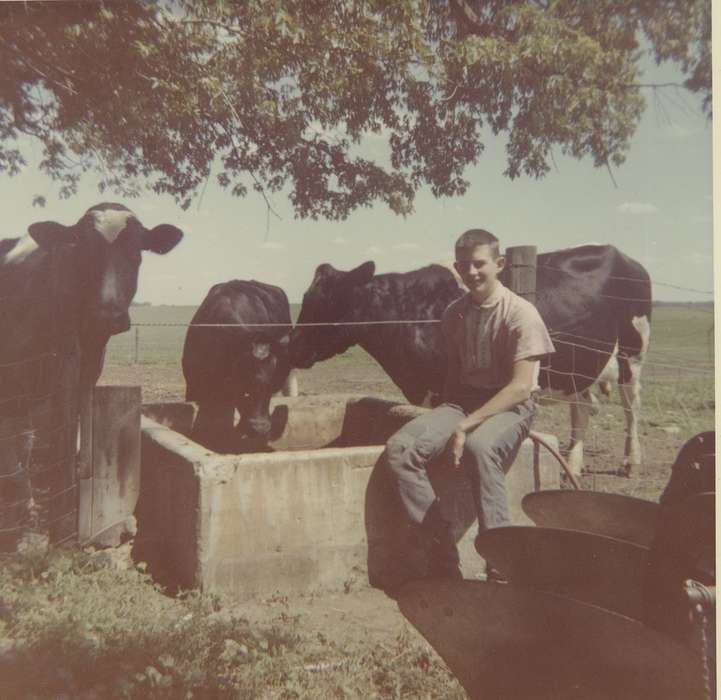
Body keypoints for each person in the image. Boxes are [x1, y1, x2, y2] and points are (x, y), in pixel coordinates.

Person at [385, 228, 555, 581]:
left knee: (480, 447)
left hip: (511, 407)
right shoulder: (455, 313)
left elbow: (521, 388)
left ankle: (501, 562)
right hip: (463, 402)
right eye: (464, 265)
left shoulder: (521, 314)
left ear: (500, 264)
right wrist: (444, 421)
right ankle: (441, 555)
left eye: (480, 264)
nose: (472, 273)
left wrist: (464, 427)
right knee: (401, 450)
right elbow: (453, 374)